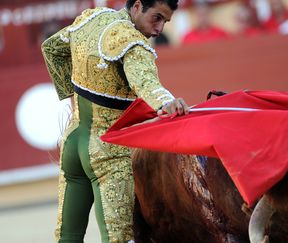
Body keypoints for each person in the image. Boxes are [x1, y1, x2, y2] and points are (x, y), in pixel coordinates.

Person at [41, 0, 189, 242]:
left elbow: (51, 48)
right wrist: (166, 102)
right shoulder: (133, 41)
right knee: (118, 238)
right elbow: (145, 81)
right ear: (138, 6)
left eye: (165, 21)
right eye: (157, 17)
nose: (160, 29)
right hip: (107, 152)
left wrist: (71, 97)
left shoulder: (91, 18)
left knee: (67, 236)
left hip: (72, 143)